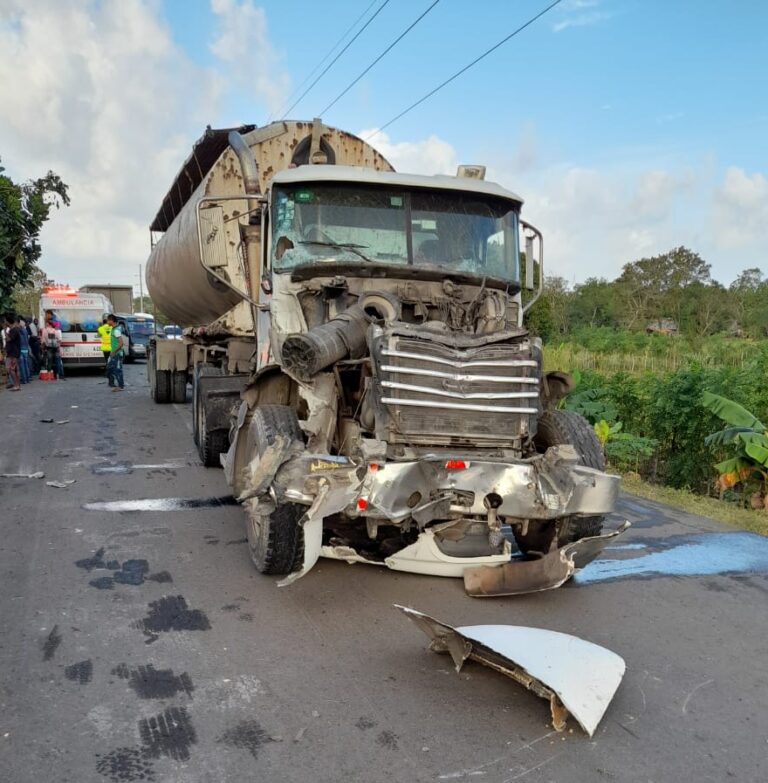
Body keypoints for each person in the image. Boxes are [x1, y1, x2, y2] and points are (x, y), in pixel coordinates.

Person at [41, 312, 65, 380]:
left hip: (49, 348)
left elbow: (43, 340)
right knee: (57, 361)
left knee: (50, 362)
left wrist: (43, 347)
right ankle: (58, 376)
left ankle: (49, 377)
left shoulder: (45, 330)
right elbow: (59, 340)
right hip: (56, 347)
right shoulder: (55, 330)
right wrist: (58, 346)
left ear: (48, 324)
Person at [106, 314, 125, 391]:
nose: (107, 322)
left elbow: (121, 343)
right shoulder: (114, 329)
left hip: (117, 354)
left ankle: (120, 386)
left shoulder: (116, 330)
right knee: (109, 368)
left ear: (111, 320)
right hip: (113, 353)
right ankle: (112, 383)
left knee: (118, 370)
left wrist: (114, 352)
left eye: (108, 320)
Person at [4, 314, 21, 391]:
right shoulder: (13, 330)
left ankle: (16, 385)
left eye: (5, 321)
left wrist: (4, 330)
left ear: (8, 321)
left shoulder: (14, 330)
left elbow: (9, 339)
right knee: (13, 369)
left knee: (11, 369)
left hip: (13, 353)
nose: (4, 322)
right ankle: (17, 385)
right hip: (12, 353)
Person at [16, 316, 31, 384]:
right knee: (26, 364)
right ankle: (27, 379)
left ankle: (24, 380)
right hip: (26, 348)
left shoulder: (18, 330)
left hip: (21, 348)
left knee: (22, 365)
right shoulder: (25, 330)